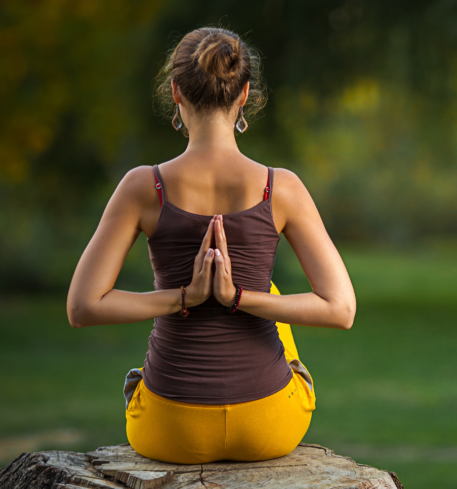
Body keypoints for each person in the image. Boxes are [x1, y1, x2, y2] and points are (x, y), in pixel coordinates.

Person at [66, 26, 356, 464]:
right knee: (272, 292)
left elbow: (82, 307)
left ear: (176, 91)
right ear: (243, 94)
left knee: (156, 369)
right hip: (269, 426)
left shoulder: (144, 187)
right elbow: (341, 309)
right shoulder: (282, 188)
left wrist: (183, 297)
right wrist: (240, 298)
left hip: (170, 430)